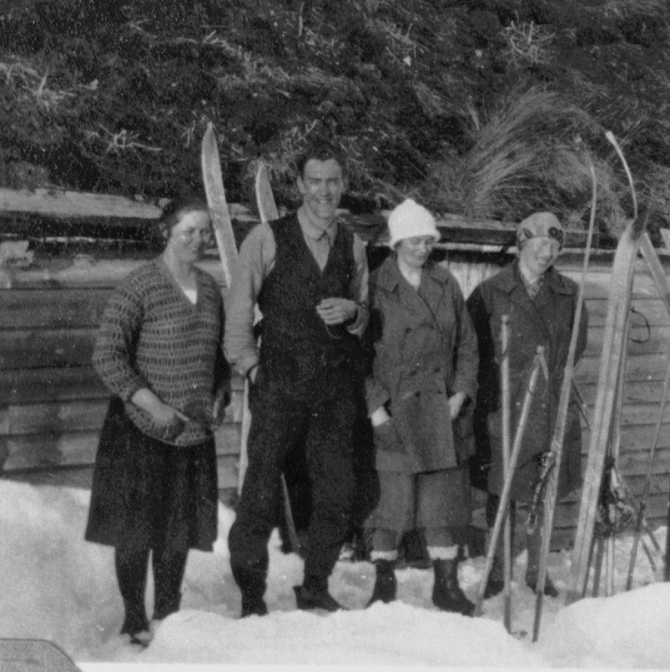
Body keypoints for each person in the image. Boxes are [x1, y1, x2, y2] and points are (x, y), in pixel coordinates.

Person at [224, 144, 370, 616]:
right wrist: (251, 366)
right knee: (260, 494)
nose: (324, 191)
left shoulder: (354, 246)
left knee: (338, 492)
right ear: (301, 185)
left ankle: (315, 586)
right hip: (280, 387)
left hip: (333, 392)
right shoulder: (266, 238)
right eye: (315, 181)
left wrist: (353, 312)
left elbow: (364, 314)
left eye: (333, 181)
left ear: (342, 185)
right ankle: (251, 597)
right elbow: (239, 312)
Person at [87, 198, 228, 647]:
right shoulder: (139, 285)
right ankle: (134, 621)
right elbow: (107, 355)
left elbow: (216, 356)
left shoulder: (210, 289)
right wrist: (151, 404)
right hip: (139, 429)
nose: (198, 241)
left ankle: (168, 614)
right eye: (188, 231)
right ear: (165, 231)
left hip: (191, 431)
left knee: (178, 528)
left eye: (205, 233)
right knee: (137, 528)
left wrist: (220, 396)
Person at [362, 198, 479, 615]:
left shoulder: (446, 284)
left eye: (428, 240)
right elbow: (356, 356)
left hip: (440, 411)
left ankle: (445, 587)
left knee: (441, 503)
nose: (422, 248)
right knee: (389, 503)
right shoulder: (373, 286)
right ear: (396, 242)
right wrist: (376, 410)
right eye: (414, 240)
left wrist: (460, 395)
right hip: (393, 412)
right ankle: (383, 587)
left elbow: (467, 346)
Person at [467, 211, 588, 598]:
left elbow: (576, 348)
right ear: (521, 245)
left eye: (553, 247)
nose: (546, 253)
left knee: (544, 491)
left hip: (549, 408)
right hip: (504, 407)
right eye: (538, 245)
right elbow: (472, 351)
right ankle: (498, 571)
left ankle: (537, 571)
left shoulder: (570, 294)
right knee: (501, 492)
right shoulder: (489, 292)